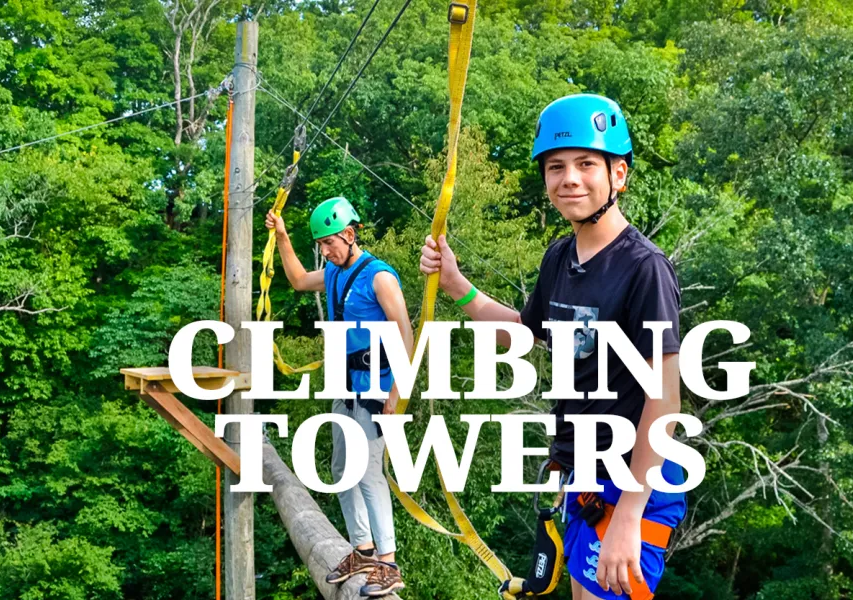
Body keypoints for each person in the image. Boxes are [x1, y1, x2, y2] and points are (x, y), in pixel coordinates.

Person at [419, 94, 686, 600]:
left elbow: (665, 400)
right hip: (585, 470)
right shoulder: (559, 258)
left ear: (619, 175)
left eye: (587, 164)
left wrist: (630, 511)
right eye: (556, 166)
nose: (570, 179)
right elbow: (527, 332)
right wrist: (458, 287)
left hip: (635, 479)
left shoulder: (643, 269)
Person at [266, 196, 411, 597]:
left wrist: (396, 398)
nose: (325, 252)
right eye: (321, 246)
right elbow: (297, 280)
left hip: (377, 389)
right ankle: (362, 550)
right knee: (340, 468)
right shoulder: (332, 272)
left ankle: (389, 562)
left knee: (368, 473)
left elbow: (407, 336)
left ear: (349, 234)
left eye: (329, 243)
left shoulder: (380, 277)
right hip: (345, 387)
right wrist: (282, 237)